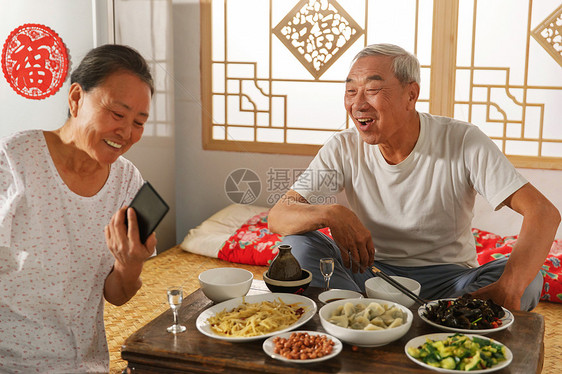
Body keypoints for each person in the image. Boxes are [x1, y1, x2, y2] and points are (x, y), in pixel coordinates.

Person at [268, 43, 560, 312]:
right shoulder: (343, 146)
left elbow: (543, 212)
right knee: (298, 244)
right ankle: (356, 314)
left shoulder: (462, 140)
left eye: (372, 90)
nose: (358, 104)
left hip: (450, 281)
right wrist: (331, 213)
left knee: (527, 280)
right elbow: (279, 216)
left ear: (411, 94)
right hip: (367, 273)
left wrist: (509, 288)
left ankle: (376, 315)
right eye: (350, 91)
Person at [0, 44, 156, 372]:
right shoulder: (15, 159)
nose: (126, 133)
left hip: (85, 364)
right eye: (117, 114)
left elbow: (116, 295)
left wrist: (130, 266)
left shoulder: (127, 180)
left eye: (139, 122)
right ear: (76, 98)